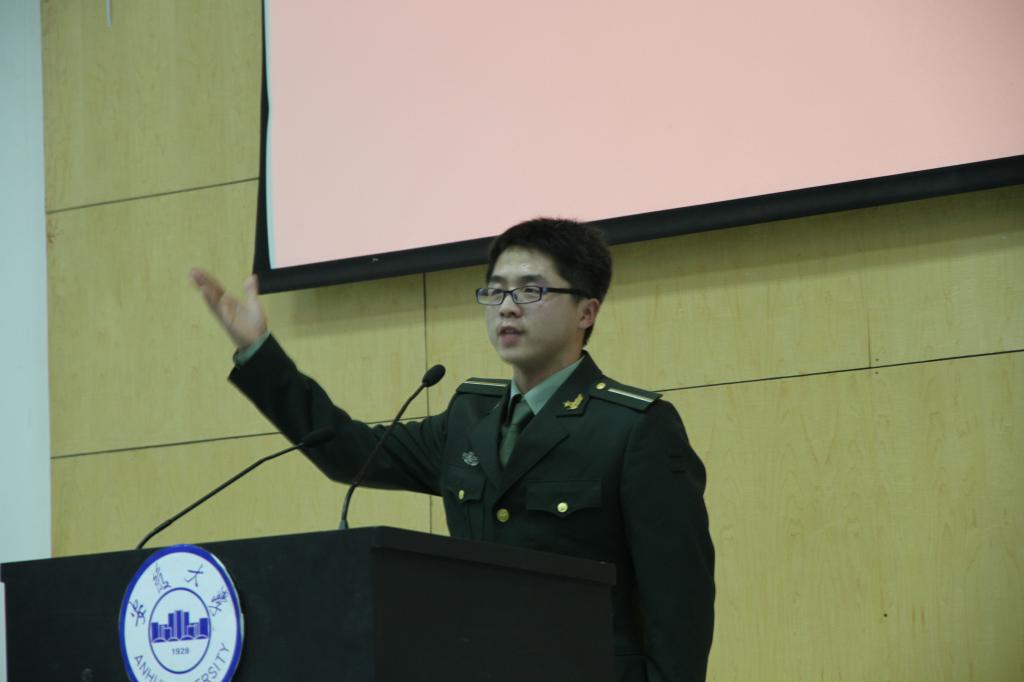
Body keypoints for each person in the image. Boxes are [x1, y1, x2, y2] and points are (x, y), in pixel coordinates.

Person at [191, 218, 715, 682]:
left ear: (587, 311)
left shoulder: (633, 428)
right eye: (495, 291)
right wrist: (258, 352)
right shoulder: (469, 418)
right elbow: (348, 452)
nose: (507, 307)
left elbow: (680, 607)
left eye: (530, 290)